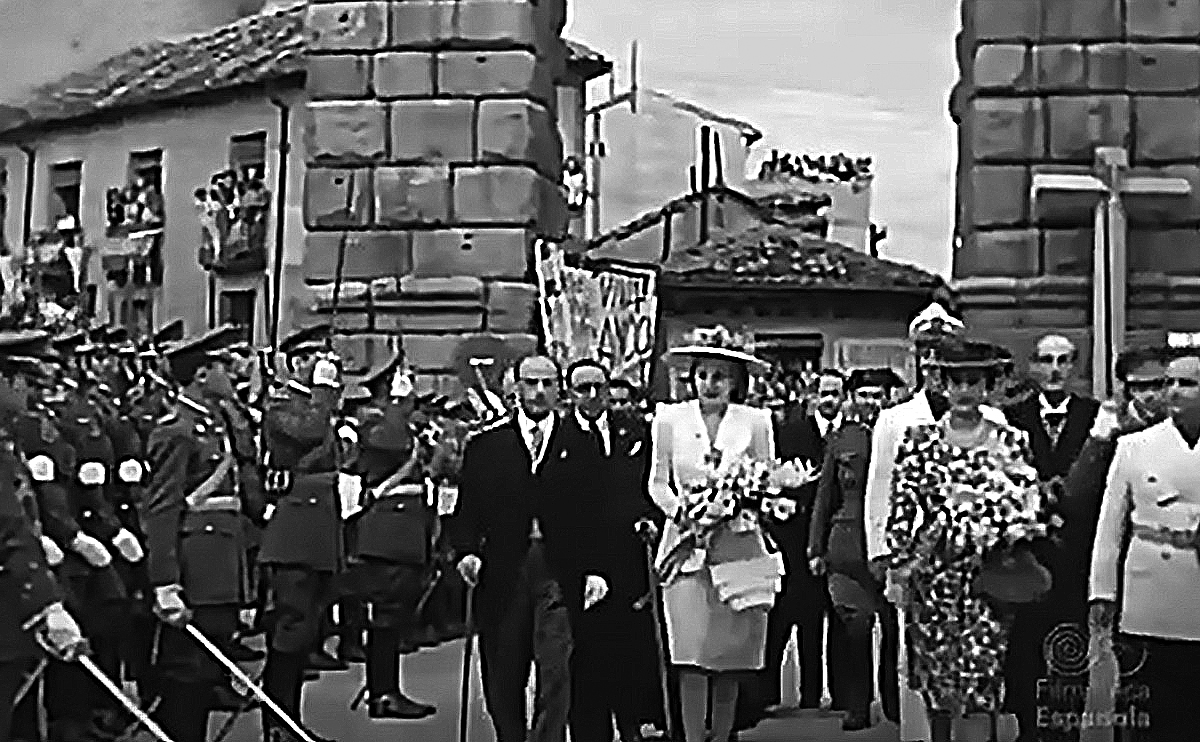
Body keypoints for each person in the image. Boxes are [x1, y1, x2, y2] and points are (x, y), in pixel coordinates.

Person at [886, 339, 1048, 742]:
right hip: (933, 579)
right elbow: (901, 512)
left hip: (987, 578)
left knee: (982, 681)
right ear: (940, 384)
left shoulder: (1011, 441)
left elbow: (1028, 506)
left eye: (973, 381)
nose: (963, 391)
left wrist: (1005, 529)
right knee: (936, 683)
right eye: (955, 381)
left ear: (989, 385)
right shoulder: (918, 440)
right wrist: (900, 565)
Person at [863, 303, 1007, 742]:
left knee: (980, 671)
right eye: (925, 351)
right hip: (924, 565)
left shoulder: (999, 424)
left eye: (939, 351)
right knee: (922, 669)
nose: (930, 361)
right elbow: (882, 493)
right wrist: (884, 557)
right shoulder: (897, 421)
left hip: (981, 566)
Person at [450, 354, 601, 742]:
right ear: (516, 387)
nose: (538, 392)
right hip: (503, 568)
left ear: (559, 390)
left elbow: (596, 514)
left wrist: (597, 569)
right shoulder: (486, 445)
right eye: (531, 383)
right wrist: (467, 552)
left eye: (547, 384)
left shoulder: (582, 444)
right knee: (503, 669)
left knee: (556, 669)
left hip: (558, 567)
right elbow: (467, 512)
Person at [648, 332, 777, 742]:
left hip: (736, 545)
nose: (711, 384)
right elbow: (657, 483)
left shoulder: (756, 421)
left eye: (721, 376)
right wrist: (682, 512)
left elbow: (766, 479)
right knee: (690, 653)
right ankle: (689, 735)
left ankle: (722, 735)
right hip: (686, 548)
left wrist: (741, 505)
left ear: (736, 381)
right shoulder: (668, 419)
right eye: (703, 374)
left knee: (729, 654)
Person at [139, 325, 251, 742]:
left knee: (205, 676)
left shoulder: (215, 422)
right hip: (195, 569)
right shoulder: (177, 430)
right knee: (187, 678)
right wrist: (165, 582)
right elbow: (163, 511)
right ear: (201, 374)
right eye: (222, 365)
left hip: (220, 564)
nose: (232, 371)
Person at [1089, 348, 1200, 742]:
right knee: (1145, 707)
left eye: (1186, 383)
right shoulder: (1134, 446)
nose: (1172, 391)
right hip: (1148, 591)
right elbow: (1109, 527)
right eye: (1168, 382)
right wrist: (1101, 592)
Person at [1000, 334, 1099, 742]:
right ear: (1034, 366)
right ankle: (1027, 727)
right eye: (1046, 360)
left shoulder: (1093, 417)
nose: (1054, 369)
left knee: (1071, 647)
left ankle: (1067, 728)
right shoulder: (1010, 417)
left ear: (1074, 366)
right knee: (1024, 649)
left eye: (1063, 360)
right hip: (1027, 554)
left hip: (1077, 553)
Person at [557, 360, 658, 742]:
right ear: (570, 394)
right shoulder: (559, 438)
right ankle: (589, 732)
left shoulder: (634, 432)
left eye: (598, 386)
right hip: (581, 563)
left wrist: (649, 519)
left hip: (630, 557)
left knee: (631, 649)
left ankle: (632, 723)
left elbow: (650, 485)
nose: (593, 395)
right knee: (586, 655)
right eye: (582, 388)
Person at [257, 324, 344, 742]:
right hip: (294, 529)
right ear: (295, 363)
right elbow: (307, 434)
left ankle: (290, 721)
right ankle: (277, 724)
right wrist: (325, 395)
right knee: (289, 633)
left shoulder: (316, 405)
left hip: (320, 528)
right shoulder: (280, 403)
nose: (322, 365)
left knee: (306, 632)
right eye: (313, 357)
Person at [808, 367, 904, 731]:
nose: (870, 402)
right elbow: (825, 496)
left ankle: (895, 701)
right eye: (863, 395)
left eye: (877, 395)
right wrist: (815, 547)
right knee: (854, 628)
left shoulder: (900, 432)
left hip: (892, 544)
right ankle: (857, 704)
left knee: (894, 629)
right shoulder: (841, 439)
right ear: (852, 399)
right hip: (846, 547)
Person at [347, 354, 437, 719]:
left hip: (407, 528)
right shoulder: (375, 421)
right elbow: (391, 443)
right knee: (385, 615)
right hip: (386, 529)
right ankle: (382, 693)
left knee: (395, 614)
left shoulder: (404, 421)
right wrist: (400, 404)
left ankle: (387, 688)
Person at [755, 369, 845, 719]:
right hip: (790, 536)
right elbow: (774, 475)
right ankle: (767, 693)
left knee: (818, 619)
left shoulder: (848, 435)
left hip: (831, 536)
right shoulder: (791, 433)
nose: (829, 399)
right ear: (812, 396)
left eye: (836, 393)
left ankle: (814, 693)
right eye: (824, 392)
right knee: (780, 618)